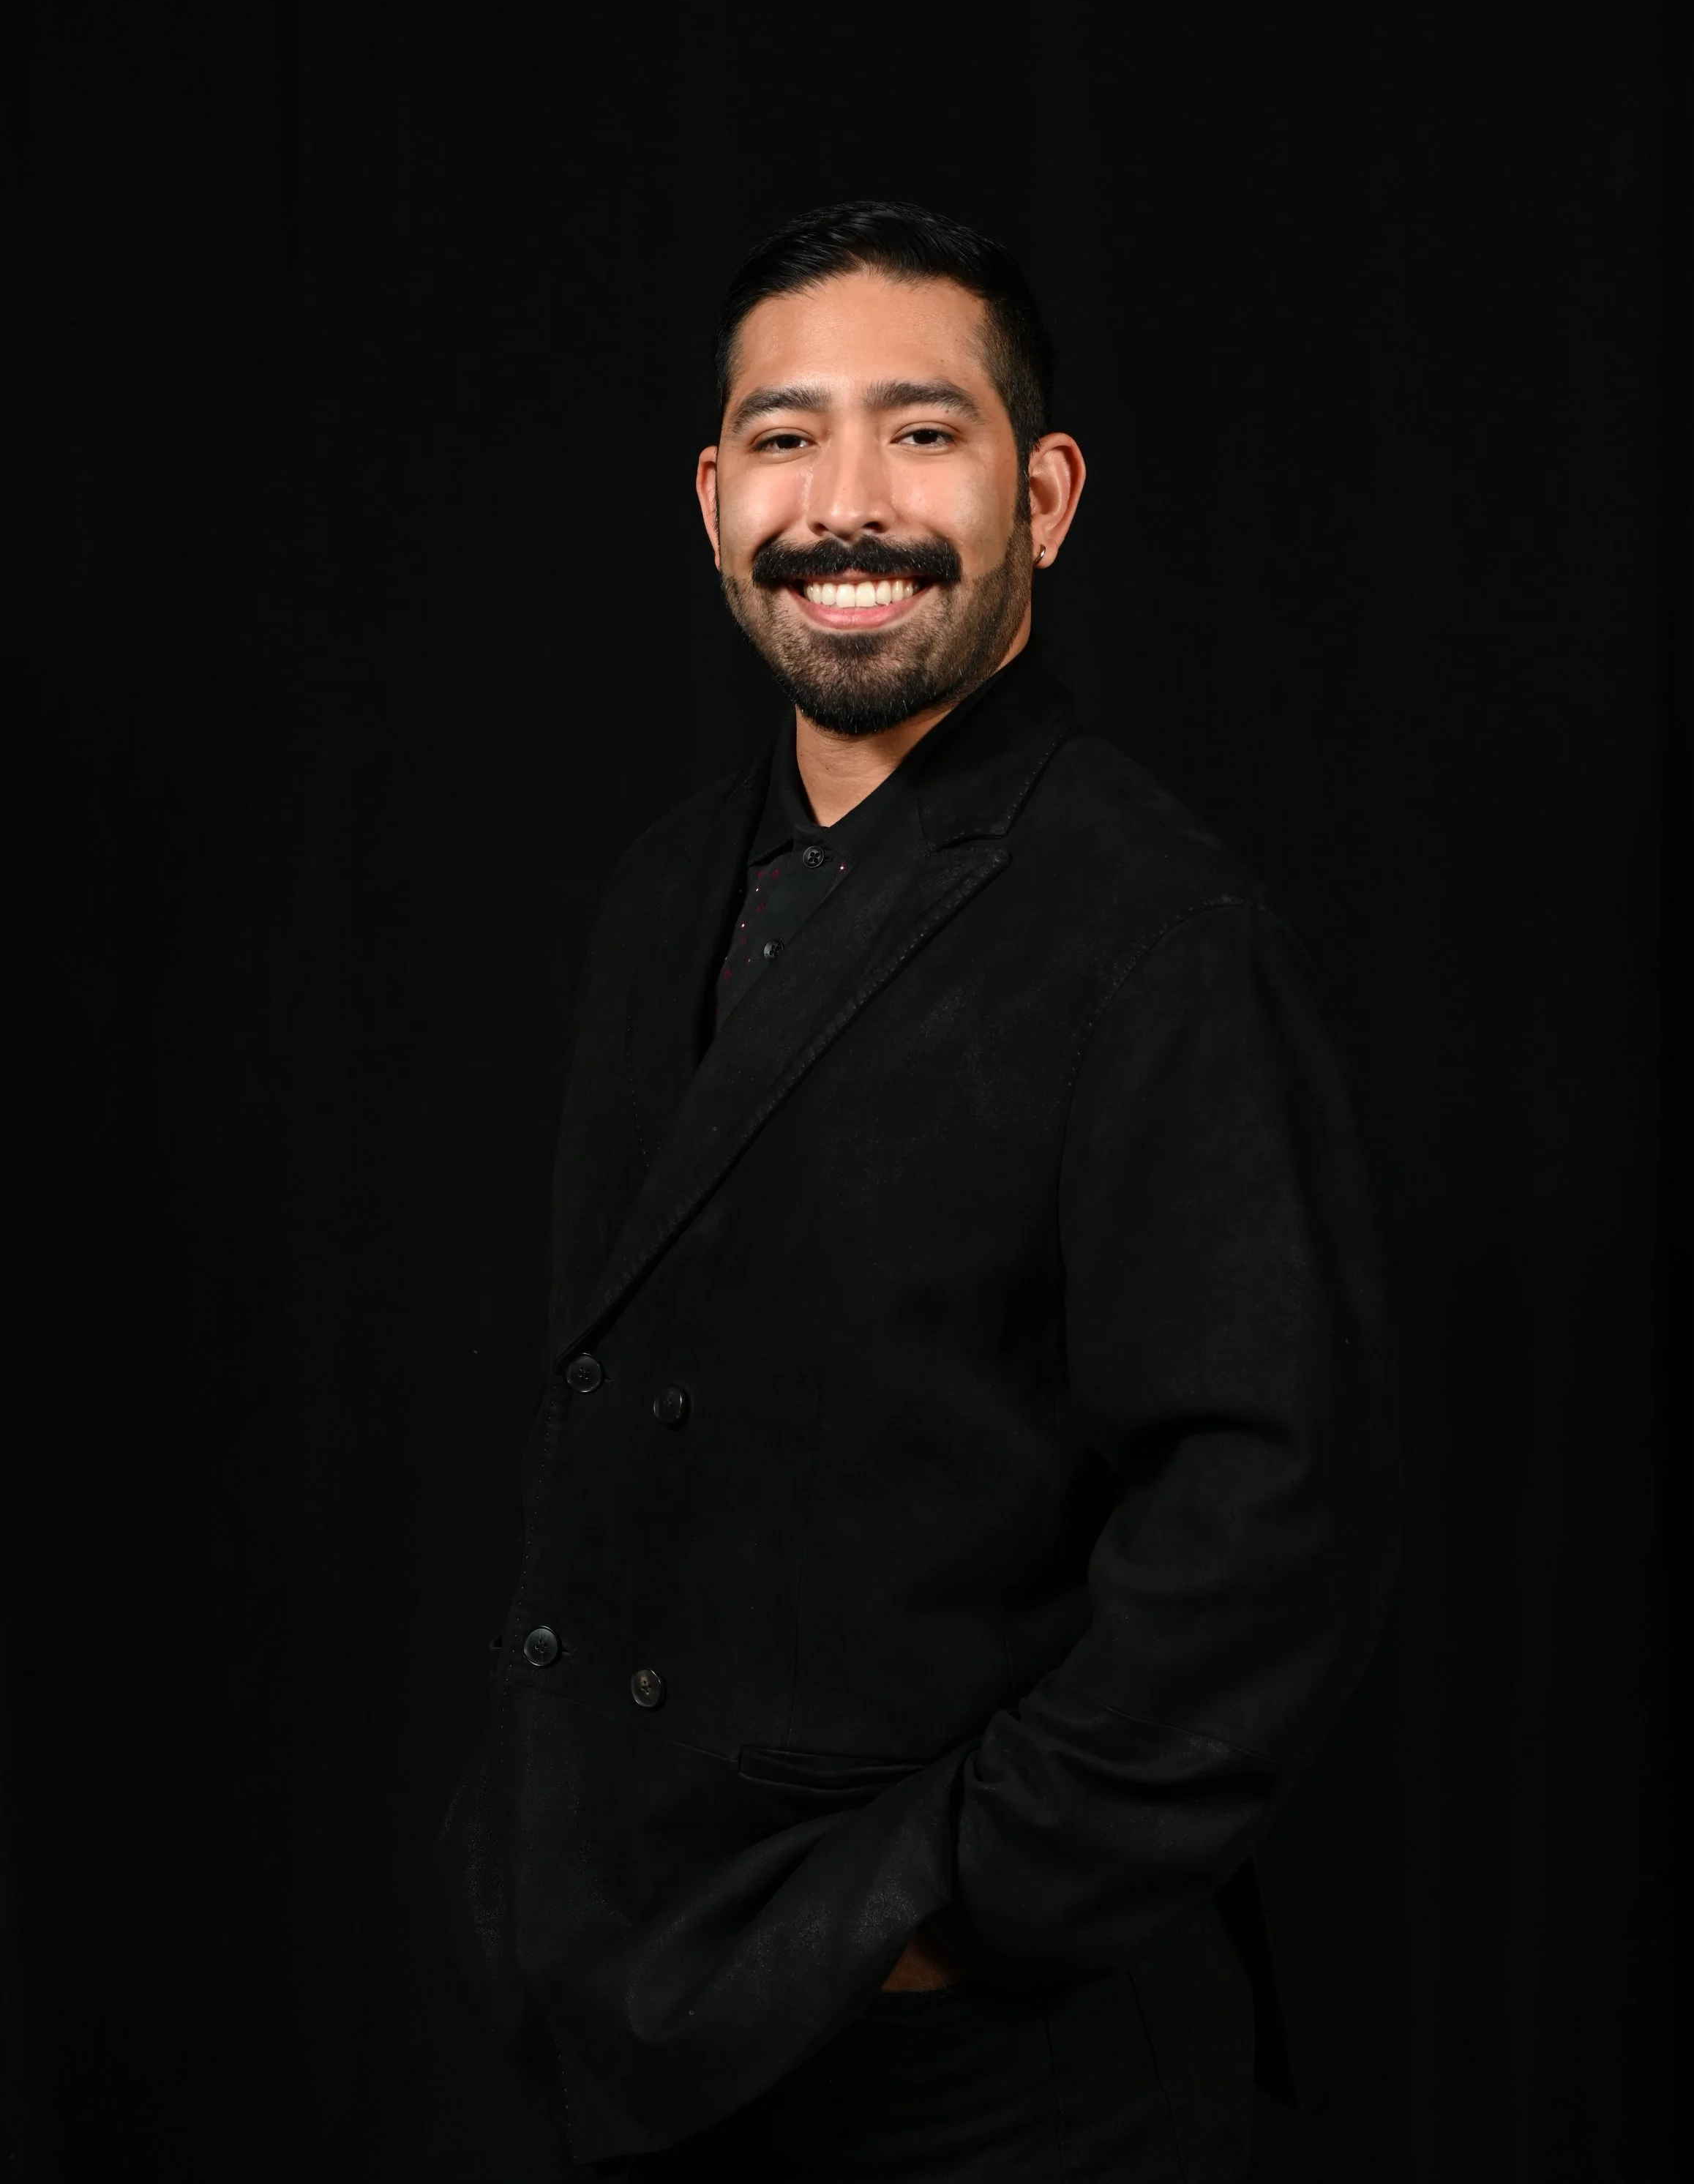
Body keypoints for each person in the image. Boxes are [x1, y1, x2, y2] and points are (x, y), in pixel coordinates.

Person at [438, 200, 1401, 2180]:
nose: (843, 505)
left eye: (920, 432)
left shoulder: (1156, 929)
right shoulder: (658, 892)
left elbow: (1268, 1518)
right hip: (660, 2002)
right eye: (785, 440)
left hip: (990, 2064)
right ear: (713, 502)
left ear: (1041, 495)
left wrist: (943, 1915)